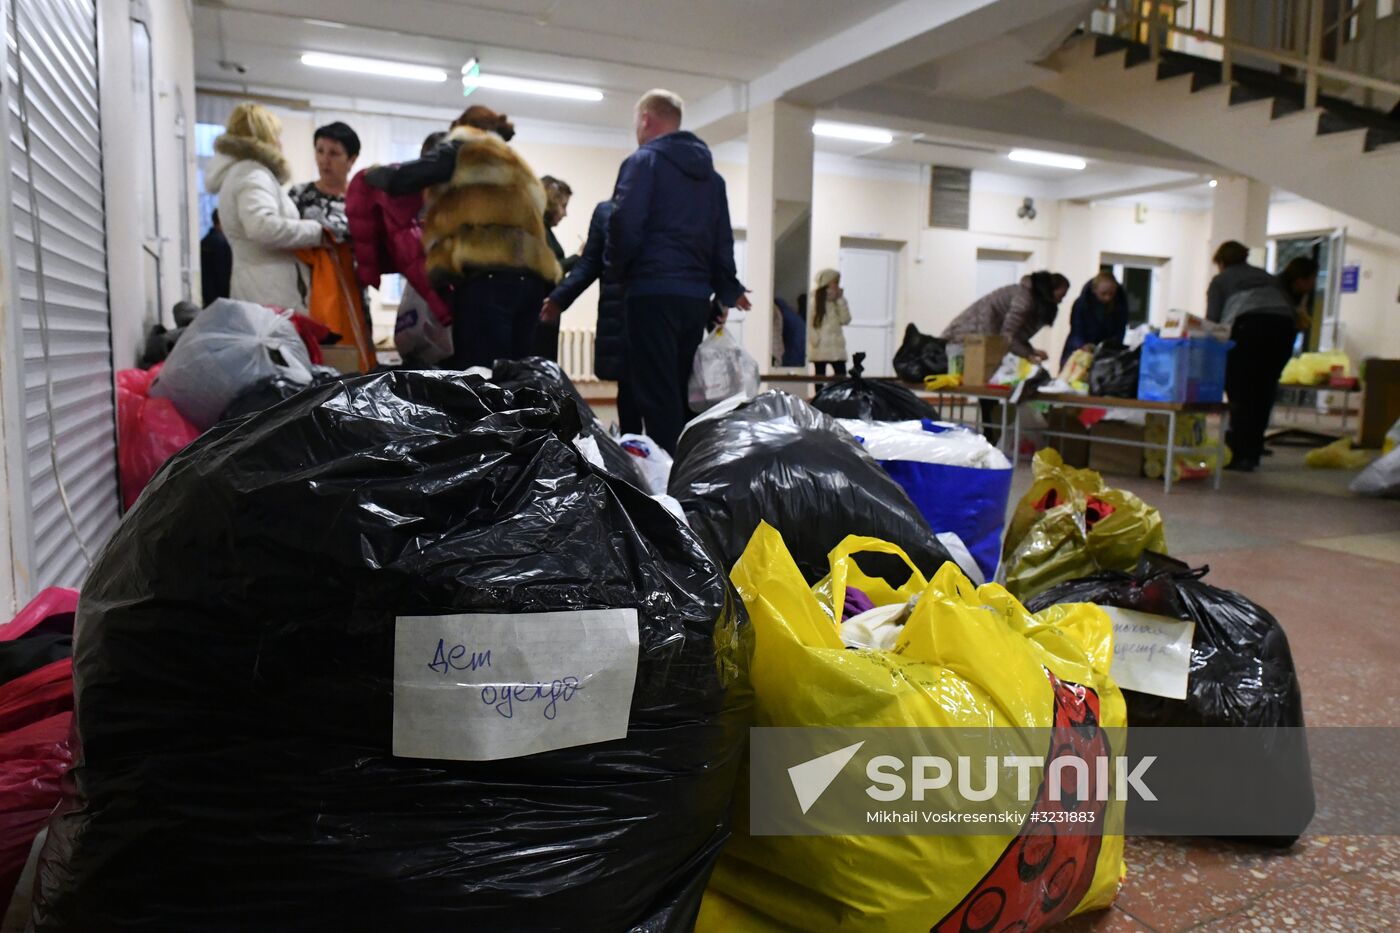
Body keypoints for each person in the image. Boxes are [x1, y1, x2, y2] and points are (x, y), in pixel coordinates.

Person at [605, 89, 749, 454]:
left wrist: (619, 273)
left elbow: (625, 226)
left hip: (651, 292)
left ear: (645, 120)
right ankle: (690, 473)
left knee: (654, 394)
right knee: (686, 391)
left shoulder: (643, 162)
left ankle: (666, 489)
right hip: (694, 300)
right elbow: (722, 238)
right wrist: (725, 290)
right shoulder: (712, 179)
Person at [365, 105, 561, 369]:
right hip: (532, 284)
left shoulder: (466, 147)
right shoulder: (516, 163)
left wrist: (372, 174)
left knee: (480, 376)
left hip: (489, 279)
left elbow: (408, 176)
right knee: (516, 375)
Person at [205, 102, 329, 309]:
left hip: (259, 286)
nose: (280, 143)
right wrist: (317, 232)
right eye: (276, 135)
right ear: (265, 138)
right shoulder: (252, 174)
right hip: (270, 292)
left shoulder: (242, 173)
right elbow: (262, 227)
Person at [540, 200, 641, 433]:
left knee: (633, 394)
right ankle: (648, 456)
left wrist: (558, 298)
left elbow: (589, 263)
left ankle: (641, 454)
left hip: (626, 314)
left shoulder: (610, 212)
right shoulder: (674, 207)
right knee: (640, 394)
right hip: (643, 315)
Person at [1205, 240, 1298, 472]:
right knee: (1265, 390)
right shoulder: (1267, 277)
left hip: (1249, 328)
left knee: (1241, 392)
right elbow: (1290, 308)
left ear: (1221, 262)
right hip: (1283, 330)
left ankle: (1239, 453)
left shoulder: (1221, 280)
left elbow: (1214, 321)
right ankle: (1253, 452)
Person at [942, 271, 1070, 362]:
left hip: (975, 340)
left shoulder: (1028, 297)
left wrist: (1031, 351)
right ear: (1050, 289)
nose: (1061, 300)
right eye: (1062, 295)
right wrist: (1028, 355)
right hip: (965, 341)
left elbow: (1013, 336)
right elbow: (1008, 337)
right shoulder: (1023, 300)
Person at [289, 121, 360, 241]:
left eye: (334, 153)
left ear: (351, 160)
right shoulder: (299, 194)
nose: (324, 160)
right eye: (320, 151)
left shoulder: (362, 200)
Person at [533, 175, 576, 360]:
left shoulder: (544, 231)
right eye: (563, 206)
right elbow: (548, 269)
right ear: (551, 203)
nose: (565, 213)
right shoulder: (539, 231)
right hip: (539, 310)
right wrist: (578, 258)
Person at [1060, 272, 1128, 366]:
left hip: (1106, 355)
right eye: (1103, 294)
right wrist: (1082, 345)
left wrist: (1110, 348)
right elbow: (1076, 330)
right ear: (1094, 290)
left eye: (1111, 294)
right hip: (1079, 351)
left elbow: (1120, 331)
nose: (1107, 298)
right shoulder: (1082, 304)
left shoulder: (1120, 306)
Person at [807, 268, 851, 377]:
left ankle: (840, 395)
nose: (837, 285)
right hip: (820, 346)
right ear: (827, 283)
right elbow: (808, 323)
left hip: (836, 346)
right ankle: (821, 395)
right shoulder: (814, 300)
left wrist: (840, 300)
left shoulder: (838, 300)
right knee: (819, 377)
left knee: (841, 376)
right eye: (835, 282)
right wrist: (815, 340)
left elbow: (845, 320)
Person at [1278, 256, 1319, 338]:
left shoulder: (1301, 294)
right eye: (1313, 278)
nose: (1314, 283)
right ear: (1300, 280)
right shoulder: (1277, 294)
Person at [199, 209, 232, 307]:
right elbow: (224, 274)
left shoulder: (205, 241)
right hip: (222, 299)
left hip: (208, 298)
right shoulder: (222, 243)